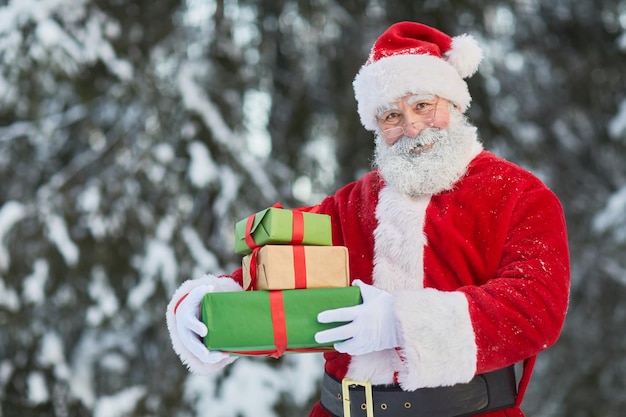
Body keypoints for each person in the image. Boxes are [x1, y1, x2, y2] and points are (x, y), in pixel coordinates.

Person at [166, 21, 570, 417]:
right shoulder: (351, 204)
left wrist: (400, 323)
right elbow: (284, 264)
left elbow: (536, 307)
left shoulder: (519, 195)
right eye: (391, 116)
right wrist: (208, 302)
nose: (411, 125)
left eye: (423, 105)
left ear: (455, 103)